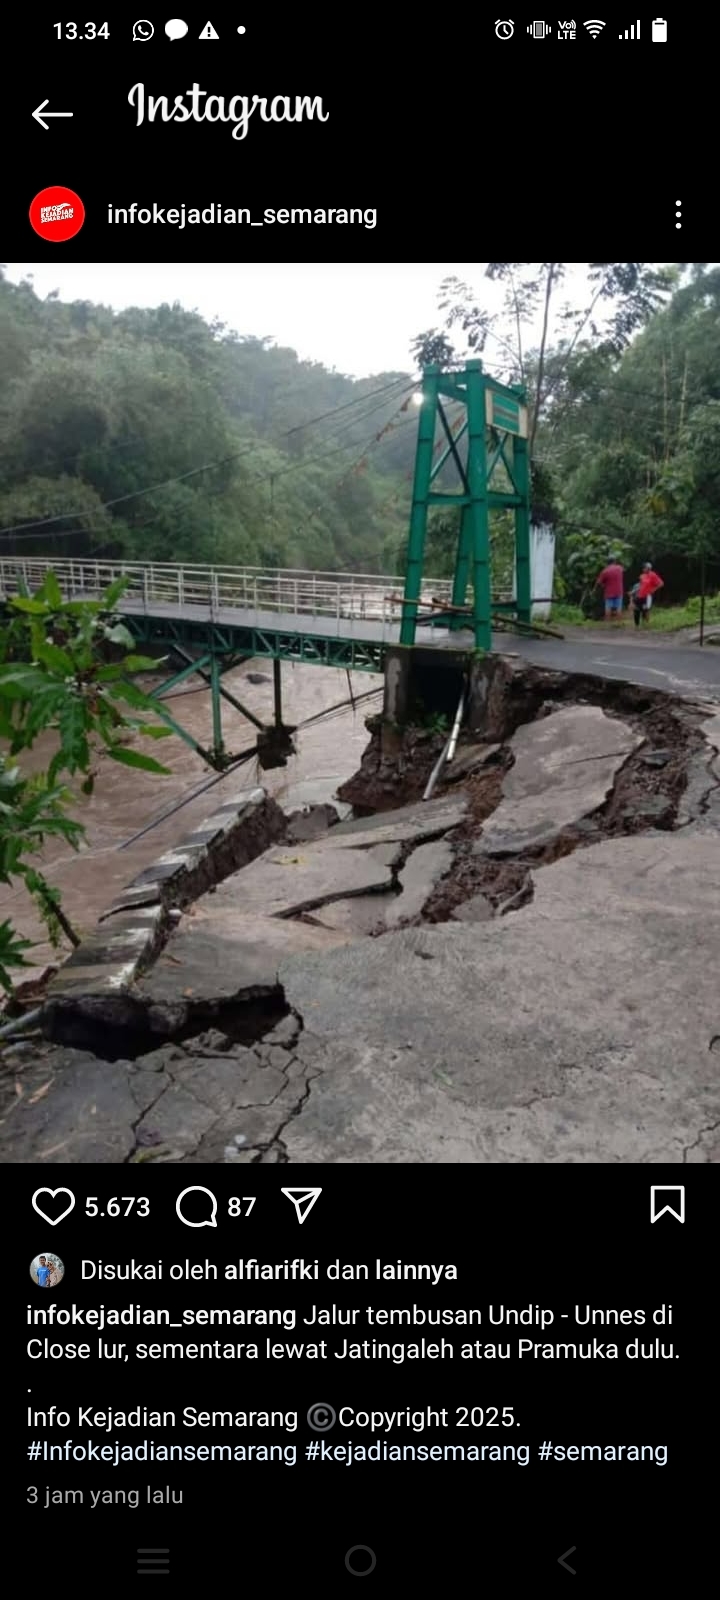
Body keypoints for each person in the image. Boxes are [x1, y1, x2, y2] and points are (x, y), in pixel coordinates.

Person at [595, 555, 625, 621]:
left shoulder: (605, 571)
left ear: (607, 562)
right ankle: (618, 623)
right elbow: (623, 571)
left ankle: (607, 624)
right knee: (618, 608)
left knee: (608, 608)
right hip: (619, 592)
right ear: (614, 561)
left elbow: (598, 582)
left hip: (609, 592)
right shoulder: (620, 568)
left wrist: (603, 585)